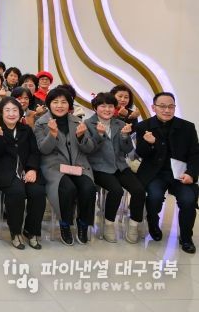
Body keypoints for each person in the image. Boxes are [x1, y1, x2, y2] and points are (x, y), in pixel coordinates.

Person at [135, 92, 199, 253]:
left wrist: (191, 173)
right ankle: (153, 223)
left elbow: (195, 154)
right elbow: (141, 153)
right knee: (154, 197)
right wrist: (150, 144)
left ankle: (186, 237)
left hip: (180, 173)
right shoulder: (144, 126)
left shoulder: (187, 127)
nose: (167, 110)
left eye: (171, 106)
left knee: (188, 200)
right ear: (154, 107)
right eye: (162, 106)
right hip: (155, 173)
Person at [34, 87, 96, 246]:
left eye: (64, 102)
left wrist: (81, 137)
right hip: (54, 167)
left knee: (88, 187)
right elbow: (43, 150)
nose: (59, 106)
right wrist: (52, 134)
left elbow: (89, 149)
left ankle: (83, 224)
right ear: (49, 104)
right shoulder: (41, 123)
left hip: (77, 166)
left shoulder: (77, 122)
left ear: (69, 105)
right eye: (55, 102)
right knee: (67, 189)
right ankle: (65, 224)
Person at [0, 97, 45, 249]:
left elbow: (34, 152)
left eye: (15, 110)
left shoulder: (26, 129)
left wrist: (32, 169)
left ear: (20, 113)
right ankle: (15, 231)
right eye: (7, 110)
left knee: (38, 191)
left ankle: (31, 230)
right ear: (1, 113)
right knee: (17, 191)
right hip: (3, 171)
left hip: (25, 170)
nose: (11, 114)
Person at [85, 92, 144, 244]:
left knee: (139, 190)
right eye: (103, 106)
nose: (107, 109)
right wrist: (99, 135)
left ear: (115, 108)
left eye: (110, 106)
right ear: (95, 108)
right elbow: (88, 149)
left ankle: (134, 225)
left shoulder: (120, 124)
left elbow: (127, 150)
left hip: (120, 166)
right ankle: (109, 224)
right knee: (116, 190)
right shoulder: (88, 124)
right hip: (99, 167)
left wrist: (125, 136)